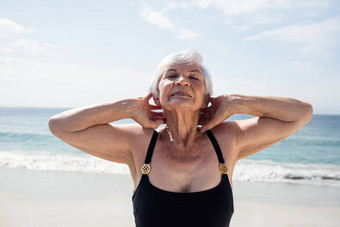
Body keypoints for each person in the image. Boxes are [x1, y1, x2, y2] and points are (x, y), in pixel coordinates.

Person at [48, 49, 313, 227]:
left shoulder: (228, 140)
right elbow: (61, 126)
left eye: (193, 77)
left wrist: (234, 102)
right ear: (155, 93)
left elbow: (301, 113)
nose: (182, 81)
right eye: (171, 76)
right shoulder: (140, 143)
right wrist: (125, 108)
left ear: (206, 96)